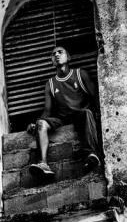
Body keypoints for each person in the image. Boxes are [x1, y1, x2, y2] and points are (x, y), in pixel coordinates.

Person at [29, 45, 102, 179]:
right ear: (52, 61)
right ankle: (43, 164)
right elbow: (47, 110)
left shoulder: (80, 74)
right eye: (53, 54)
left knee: (87, 113)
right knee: (41, 123)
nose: (56, 55)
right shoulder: (50, 83)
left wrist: (99, 114)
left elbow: (95, 96)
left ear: (68, 57)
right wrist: (36, 124)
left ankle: (91, 154)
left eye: (60, 52)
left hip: (80, 114)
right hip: (62, 118)